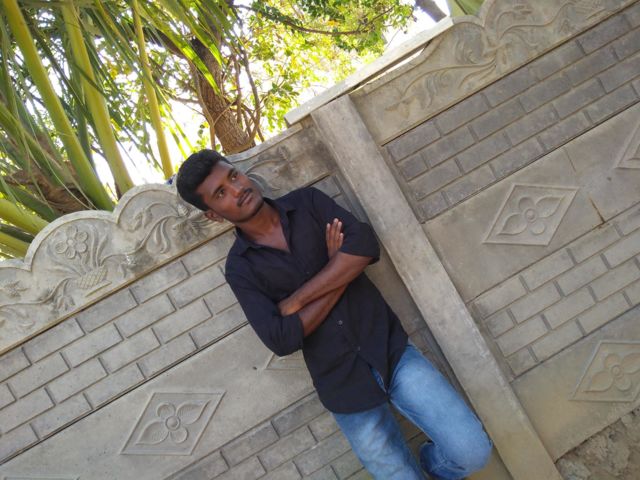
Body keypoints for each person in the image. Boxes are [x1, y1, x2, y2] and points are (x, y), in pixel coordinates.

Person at [175, 149, 492, 479]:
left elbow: (365, 245)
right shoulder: (241, 268)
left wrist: (297, 301)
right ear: (213, 215)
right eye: (221, 193)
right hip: (341, 384)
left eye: (233, 176)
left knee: (472, 452)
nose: (237, 189)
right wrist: (339, 268)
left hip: (391, 352)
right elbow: (281, 339)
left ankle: (432, 465)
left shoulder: (308, 204)